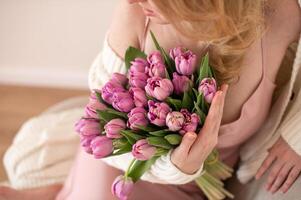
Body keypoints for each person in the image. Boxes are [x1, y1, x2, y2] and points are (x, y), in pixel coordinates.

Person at [1, 0, 301, 199]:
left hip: (203, 186)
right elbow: (103, 132)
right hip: (120, 169)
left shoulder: (275, 14)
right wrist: (178, 166)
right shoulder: (135, 14)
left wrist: (296, 133)